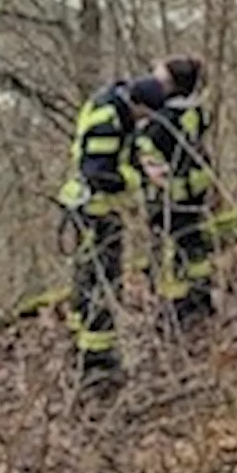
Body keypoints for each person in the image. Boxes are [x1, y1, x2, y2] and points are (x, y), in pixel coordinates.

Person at [60, 73, 168, 379]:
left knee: (91, 282)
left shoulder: (118, 110)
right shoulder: (108, 119)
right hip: (95, 212)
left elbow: (122, 152)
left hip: (100, 211)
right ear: (137, 104)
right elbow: (99, 174)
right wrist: (140, 178)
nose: (145, 122)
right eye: (145, 115)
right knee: (100, 284)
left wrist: (141, 164)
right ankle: (96, 360)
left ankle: (86, 349)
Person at [140, 53, 216, 321]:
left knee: (172, 247)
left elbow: (145, 148)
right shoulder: (196, 111)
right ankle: (201, 293)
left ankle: (178, 303)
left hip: (172, 192)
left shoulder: (165, 119)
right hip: (195, 186)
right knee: (193, 242)